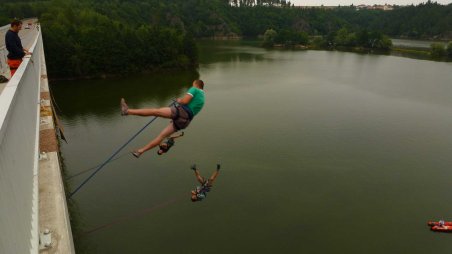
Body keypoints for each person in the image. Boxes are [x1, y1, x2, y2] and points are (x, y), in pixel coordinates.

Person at [121, 79, 205, 158]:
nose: (192, 85)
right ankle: (140, 151)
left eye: (193, 84)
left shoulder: (195, 89)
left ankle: (127, 111)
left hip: (181, 113)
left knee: (155, 111)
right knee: (161, 137)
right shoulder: (202, 98)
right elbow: (191, 108)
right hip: (184, 121)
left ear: (196, 84)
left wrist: (179, 100)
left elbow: (185, 101)